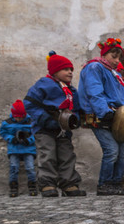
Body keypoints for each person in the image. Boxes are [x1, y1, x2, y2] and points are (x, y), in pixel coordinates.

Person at [77, 36, 124, 196]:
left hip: (117, 117)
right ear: (104, 55)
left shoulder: (113, 73)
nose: (117, 61)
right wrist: (105, 112)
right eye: (113, 56)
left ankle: (116, 184)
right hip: (101, 117)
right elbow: (95, 92)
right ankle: (104, 184)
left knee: (123, 152)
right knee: (111, 150)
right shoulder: (95, 67)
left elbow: (121, 97)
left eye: (118, 57)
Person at [25, 51, 86, 197]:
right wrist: (45, 119)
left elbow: (76, 109)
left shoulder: (71, 91)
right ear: (55, 71)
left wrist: (74, 120)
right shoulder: (43, 85)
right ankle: (47, 184)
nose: (70, 72)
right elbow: (30, 103)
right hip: (44, 128)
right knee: (48, 155)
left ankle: (69, 184)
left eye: (71, 69)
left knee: (67, 155)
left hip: (63, 130)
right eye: (66, 69)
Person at [0, 100, 37, 197]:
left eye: (21, 117)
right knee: (14, 167)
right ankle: (13, 187)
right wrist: (11, 138)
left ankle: (32, 186)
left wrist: (29, 140)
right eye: (17, 117)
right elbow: (3, 133)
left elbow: (36, 133)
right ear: (13, 114)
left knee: (30, 168)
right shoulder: (7, 123)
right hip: (14, 149)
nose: (19, 119)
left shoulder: (31, 122)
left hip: (28, 149)